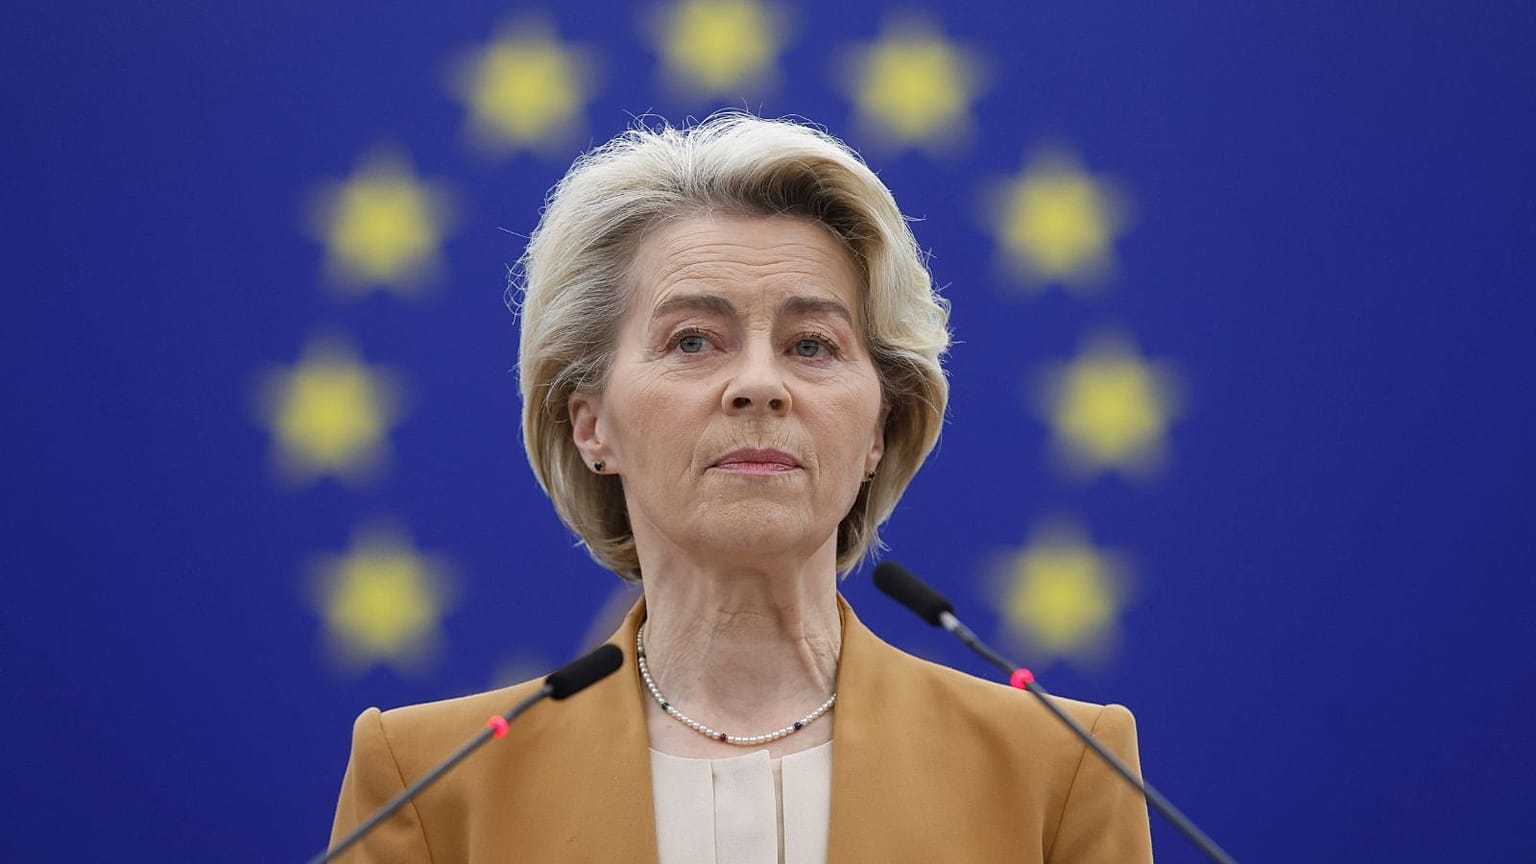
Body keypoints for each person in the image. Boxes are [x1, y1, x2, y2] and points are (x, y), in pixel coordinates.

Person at [327, 113, 1154, 863]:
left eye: (811, 345)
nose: (759, 385)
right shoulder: (429, 787)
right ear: (591, 425)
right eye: (693, 340)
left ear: (879, 429)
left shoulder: (1062, 767)